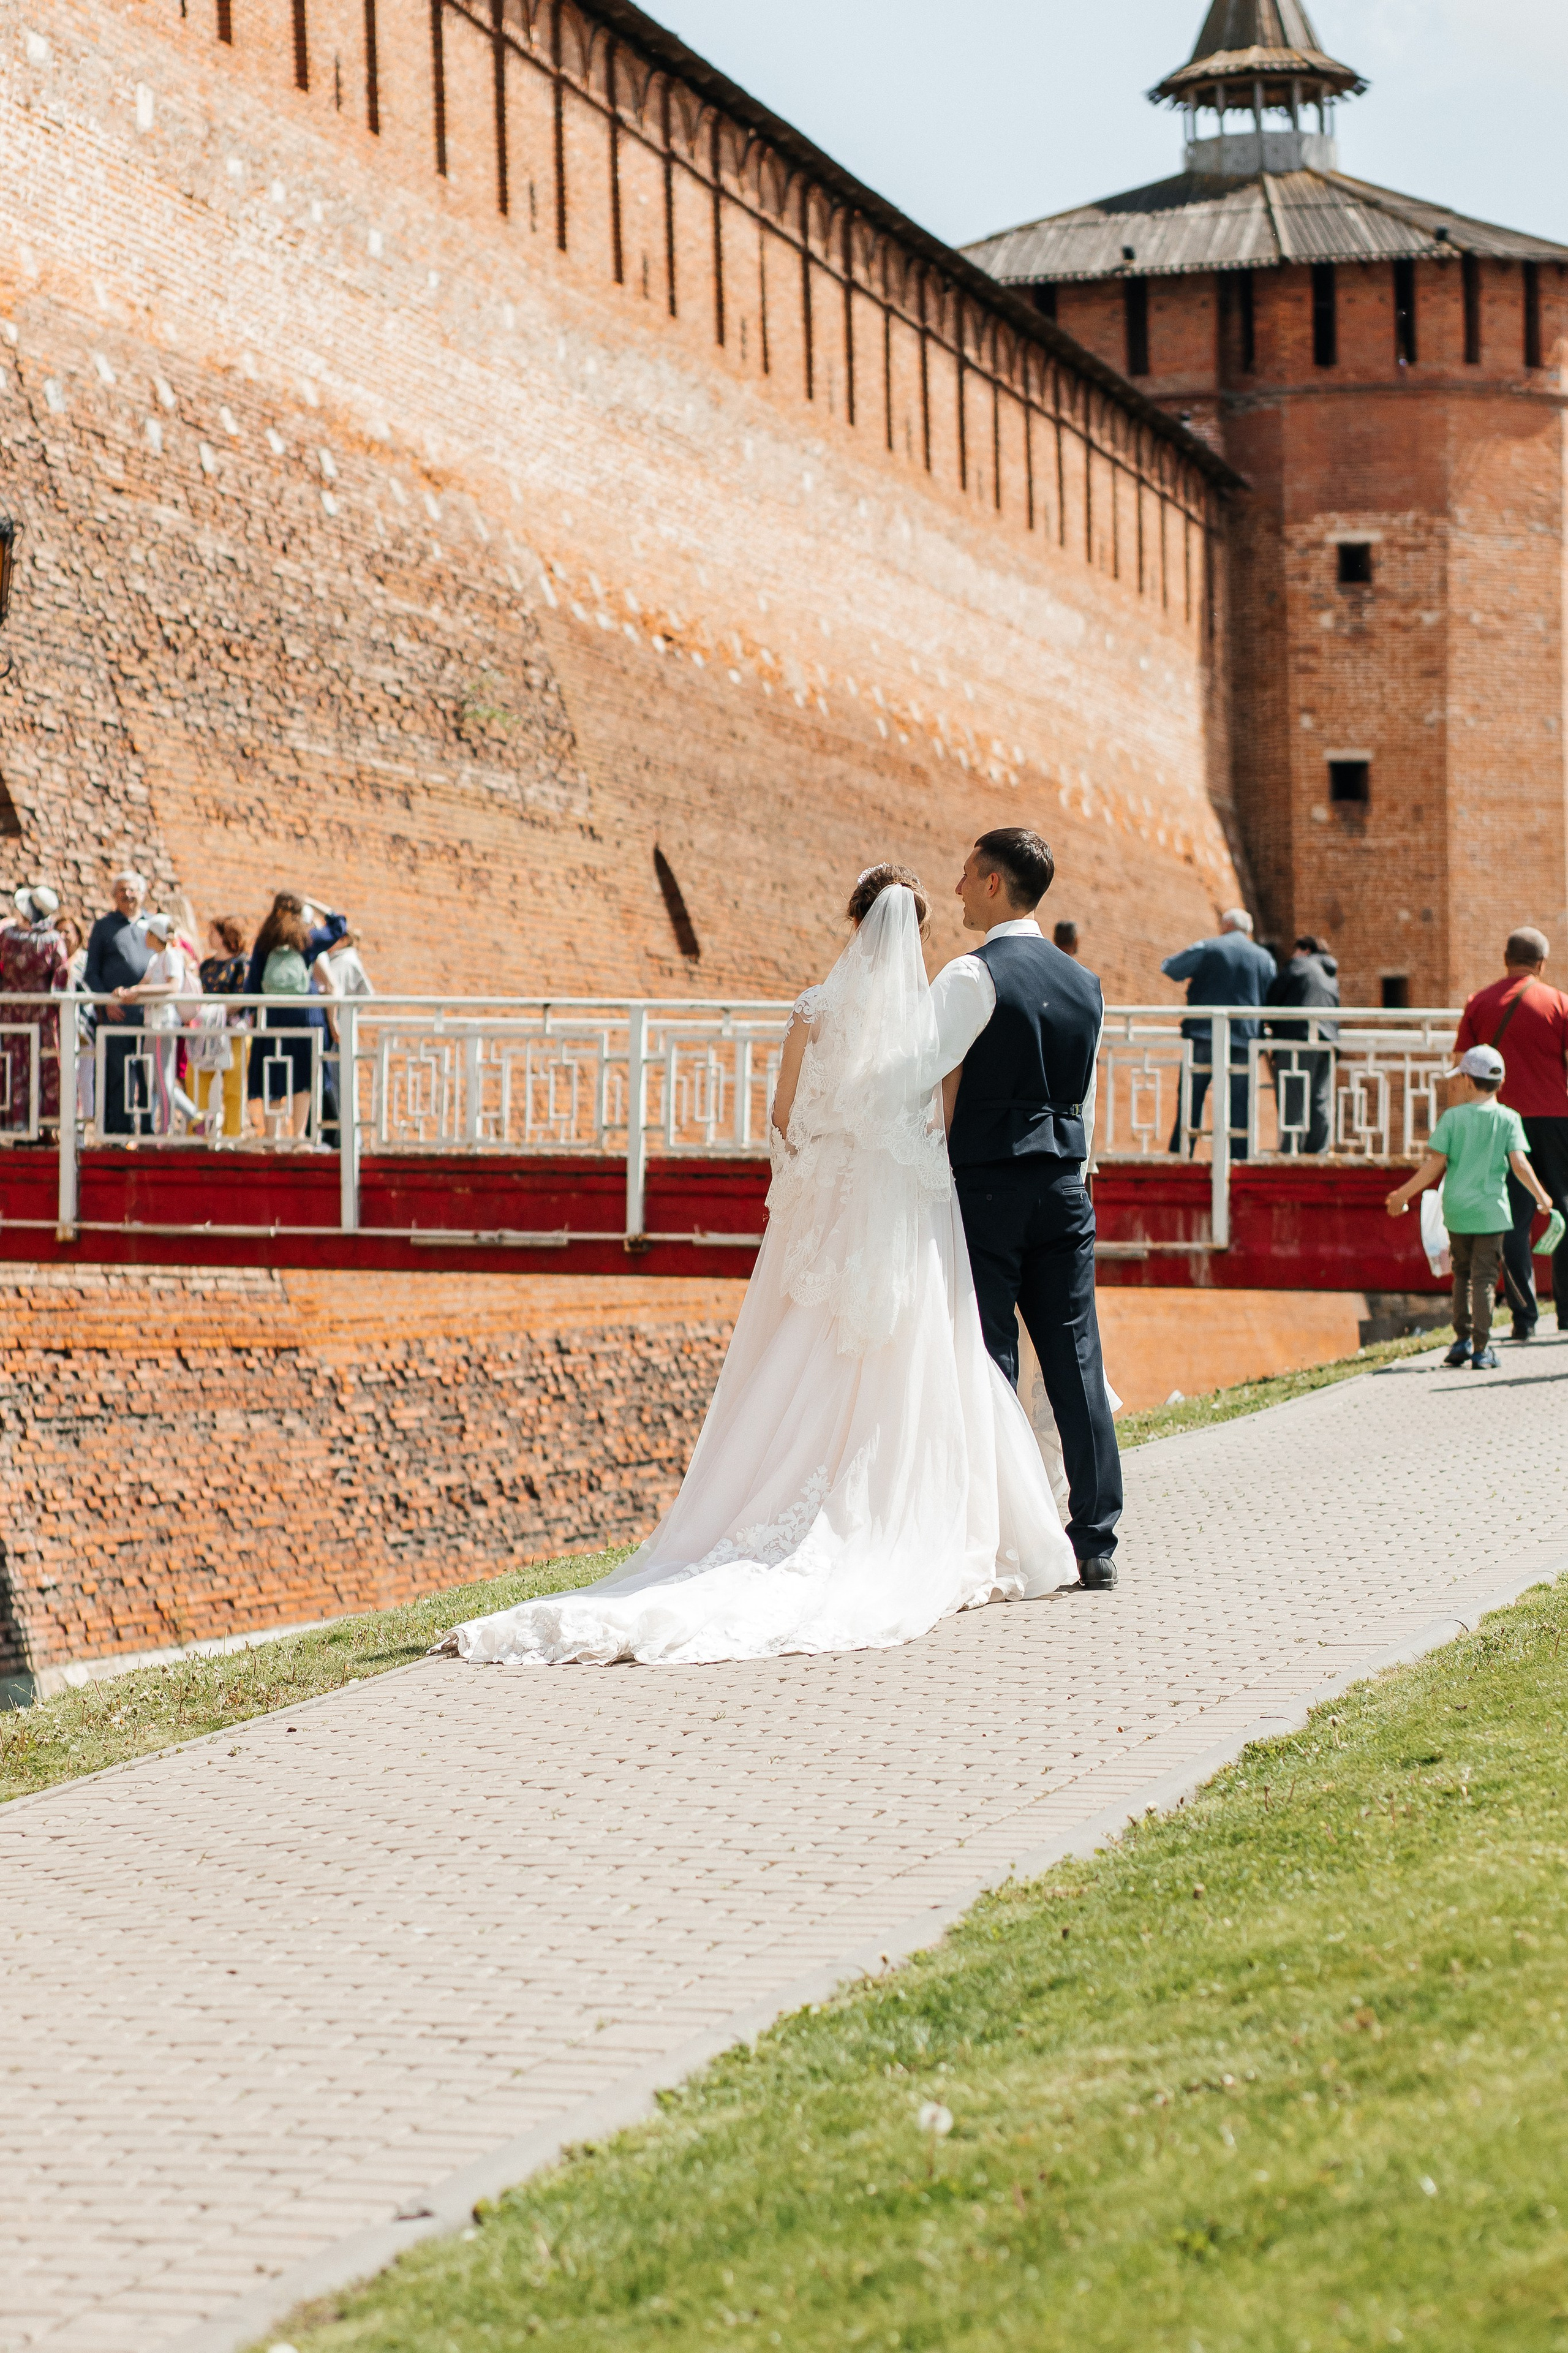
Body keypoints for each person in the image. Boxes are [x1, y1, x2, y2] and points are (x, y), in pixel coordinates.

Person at [435, 865, 1075, 1667]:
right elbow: (939, 1120)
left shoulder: (813, 1009)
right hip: (907, 1206)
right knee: (916, 1346)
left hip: (833, 1205)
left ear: (853, 920)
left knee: (809, 1344)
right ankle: (911, 1506)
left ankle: (776, 1498)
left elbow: (784, 1118)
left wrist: (823, 1162)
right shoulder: (930, 1023)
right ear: (915, 935)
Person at [932, 828, 1122, 1590]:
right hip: (1065, 1185)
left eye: (965, 874)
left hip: (985, 1182)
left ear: (991, 885)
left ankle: (998, 1531)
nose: (955, 889)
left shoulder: (970, 975)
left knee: (989, 1357)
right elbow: (1084, 1093)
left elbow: (929, 1080)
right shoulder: (1087, 985)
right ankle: (1096, 1540)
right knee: (1077, 1358)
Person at [1385, 1043, 1553, 1371]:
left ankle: (1460, 1341)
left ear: (1465, 1080)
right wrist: (1541, 1196)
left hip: (1458, 1210)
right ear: (1500, 1084)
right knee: (1486, 1279)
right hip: (1492, 1213)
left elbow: (1434, 1166)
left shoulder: (1453, 1118)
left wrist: (1402, 1195)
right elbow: (1519, 1164)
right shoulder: (1509, 1119)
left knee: (1461, 1274)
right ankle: (1482, 1347)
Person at [1452, 927, 1568, 1341]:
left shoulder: (1478, 1003)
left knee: (1513, 1220)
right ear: (1541, 963)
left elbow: (1461, 1067)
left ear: (1505, 958)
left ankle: (1524, 1317)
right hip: (1557, 1119)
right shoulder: (1558, 1003)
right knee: (1563, 1212)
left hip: (1501, 1121)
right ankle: (1567, 1314)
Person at [1161, 910, 1276, 1158]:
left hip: (1204, 1033)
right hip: (1245, 1038)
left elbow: (1171, 968)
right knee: (1240, 1100)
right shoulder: (1265, 958)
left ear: (1225, 925)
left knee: (1192, 1096)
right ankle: (1239, 1157)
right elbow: (1272, 995)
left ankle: (1182, 1152)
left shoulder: (1210, 948)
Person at [246, 892, 346, 1141]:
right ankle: (299, 1136)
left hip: (272, 1017)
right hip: (305, 1016)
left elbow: (253, 984)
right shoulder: (307, 939)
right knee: (304, 1076)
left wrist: (253, 1015)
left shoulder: (265, 942)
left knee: (273, 1075)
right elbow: (339, 926)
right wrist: (314, 903)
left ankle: (271, 1137)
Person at [110, 911, 201, 1132]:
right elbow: (144, 984)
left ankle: (167, 1129)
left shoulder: (171, 956)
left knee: (162, 1076)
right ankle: (194, 1116)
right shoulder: (156, 958)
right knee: (154, 1078)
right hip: (153, 1022)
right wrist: (126, 991)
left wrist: (140, 990)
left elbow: (172, 986)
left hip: (164, 1023)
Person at [84, 871, 152, 1136]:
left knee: (149, 1073)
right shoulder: (104, 927)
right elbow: (91, 972)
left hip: (148, 1013)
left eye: (132, 889)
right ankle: (117, 1132)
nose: (128, 894)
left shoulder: (153, 924)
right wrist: (105, 1003)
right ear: (114, 895)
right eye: (122, 890)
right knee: (117, 1073)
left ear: (143, 893)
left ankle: (149, 1131)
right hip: (116, 1015)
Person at [0, 883, 67, 1133]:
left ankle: (15, 1123)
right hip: (42, 1010)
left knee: (14, 1062)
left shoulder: (7, 937)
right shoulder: (53, 942)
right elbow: (61, 978)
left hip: (11, 1009)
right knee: (43, 1062)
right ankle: (46, 1127)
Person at [1265, 934, 1340, 1154]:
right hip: (1327, 1043)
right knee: (1320, 1099)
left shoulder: (1300, 965)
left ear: (1305, 950)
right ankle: (1318, 1152)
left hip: (1298, 1040)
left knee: (1293, 1098)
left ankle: (1291, 1153)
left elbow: (1272, 999)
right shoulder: (1330, 975)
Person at [194, 916, 251, 1139]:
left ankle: (231, 1135)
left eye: (213, 932)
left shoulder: (242, 964)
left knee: (233, 1086)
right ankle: (197, 1133)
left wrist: (216, 1011)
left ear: (225, 935)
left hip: (233, 1031)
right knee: (198, 1080)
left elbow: (242, 997)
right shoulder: (207, 966)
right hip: (206, 1030)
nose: (209, 936)